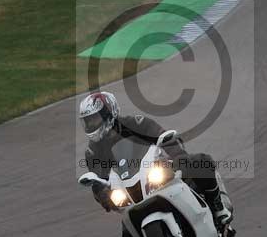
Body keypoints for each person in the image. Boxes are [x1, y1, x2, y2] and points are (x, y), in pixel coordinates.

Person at [79, 91, 232, 224]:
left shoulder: (135, 123)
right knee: (127, 231)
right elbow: (97, 179)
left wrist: (179, 157)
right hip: (130, 188)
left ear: (108, 112)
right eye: (88, 121)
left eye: (94, 118)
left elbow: (163, 136)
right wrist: (103, 194)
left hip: (157, 171)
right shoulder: (93, 151)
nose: (91, 124)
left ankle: (217, 205)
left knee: (200, 162)